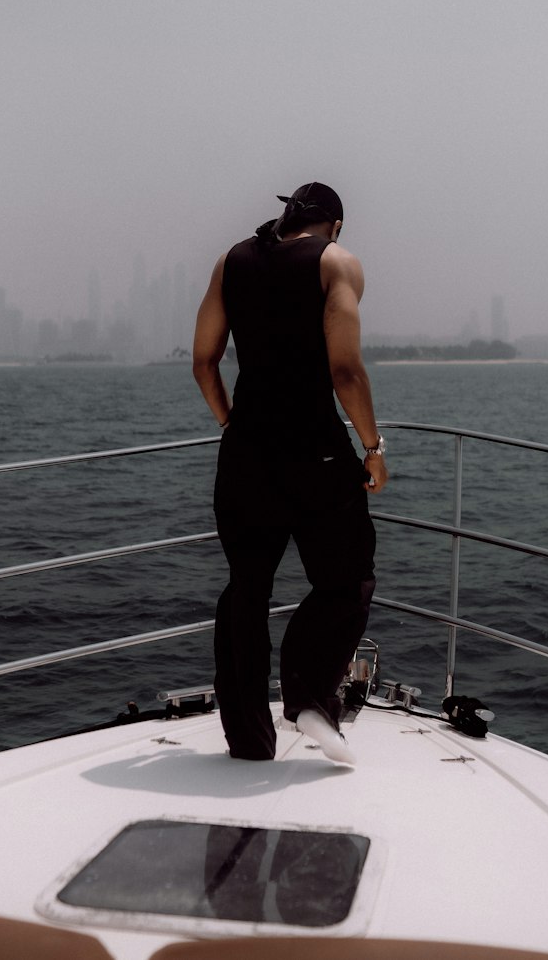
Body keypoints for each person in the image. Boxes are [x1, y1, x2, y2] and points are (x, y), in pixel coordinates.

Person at [192, 181, 388, 765]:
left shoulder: (231, 260)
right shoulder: (337, 263)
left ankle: (248, 740)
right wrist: (373, 448)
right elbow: (346, 371)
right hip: (317, 455)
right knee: (346, 580)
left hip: (246, 454)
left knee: (246, 592)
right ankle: (306, 698)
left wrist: (234, 425)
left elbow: (204, 363)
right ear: (336, 224)